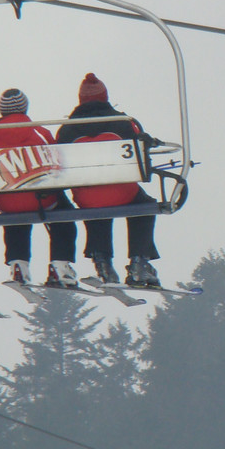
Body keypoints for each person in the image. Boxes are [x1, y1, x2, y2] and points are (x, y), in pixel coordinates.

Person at [55, 73, 162, 288]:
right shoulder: (124, 123)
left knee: (94, 202)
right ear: (105, 96)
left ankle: (102, 259)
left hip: (88, 196)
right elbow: (142, 159)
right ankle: (139, 261)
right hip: (123, 192)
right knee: (145, 205)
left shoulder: (66, 130)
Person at [0, 88, 79, 288]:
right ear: (24, 107)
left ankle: (18, 265)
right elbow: (56, 163)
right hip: (42, 199)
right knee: (64, 214)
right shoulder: (39, 132)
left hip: (8, 200)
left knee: (14, 212)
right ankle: (60, 265)